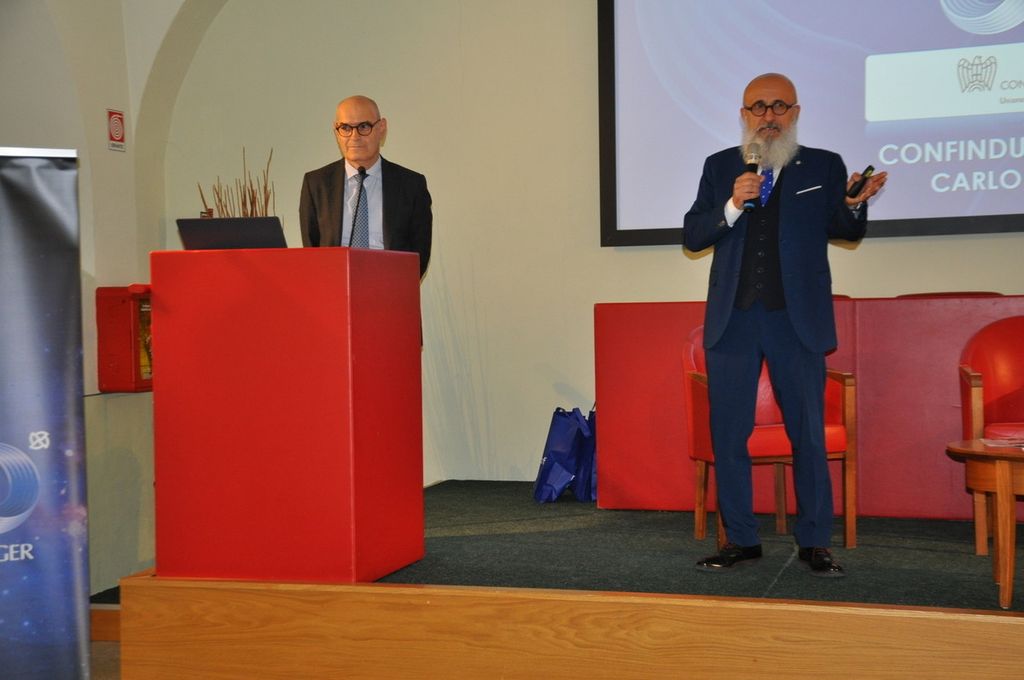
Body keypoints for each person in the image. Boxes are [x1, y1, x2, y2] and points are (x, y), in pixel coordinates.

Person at [682, 73, 887, 577]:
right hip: (733, 321)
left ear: (795, 114)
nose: (768, 116)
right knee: (729, 435)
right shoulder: (720, 166)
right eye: (758, 107)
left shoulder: (823, 165)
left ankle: (815, 541)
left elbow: (843, 229)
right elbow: (693, 234)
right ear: (743, 114)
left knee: (808, 435)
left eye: (778, 107)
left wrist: (854, 204)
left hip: (796, 321)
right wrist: (733, 204)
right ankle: (740, 540)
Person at [299, 95, 432, 278]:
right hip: (335, 288)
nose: (354, 137)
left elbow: (419, 257)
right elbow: (312, 253)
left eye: (363, 127)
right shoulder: (316, 184)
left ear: (381, 128)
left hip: (390, 287)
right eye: (345, 128)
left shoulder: (411, 185)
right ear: (336, 132)